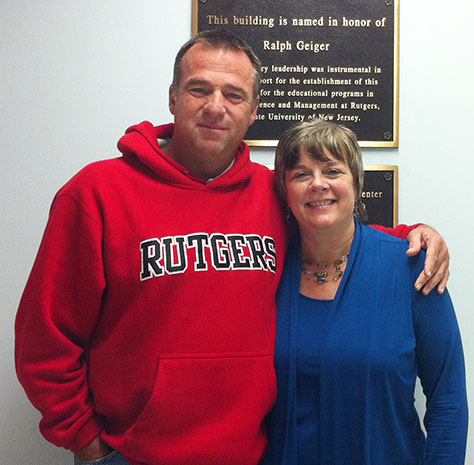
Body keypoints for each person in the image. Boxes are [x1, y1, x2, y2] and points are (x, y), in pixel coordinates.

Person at [15, 30, 450, 465]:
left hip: (252, 454)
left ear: (254, 110)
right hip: (132, 454)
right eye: (199, 89)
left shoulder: (270, 193)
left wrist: (414, 235)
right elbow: (44, 341)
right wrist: (87, 444)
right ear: (172, 97)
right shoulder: (97, 194)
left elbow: (329, 226)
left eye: (234, 94)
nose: (215, 107)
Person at [262, 119, 468, 465]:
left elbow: (448, 398)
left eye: (332, 171)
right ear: (285, 191)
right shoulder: (268, 272)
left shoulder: (412, 271)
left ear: (356, 185)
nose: (317, 184)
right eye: (301, 174)